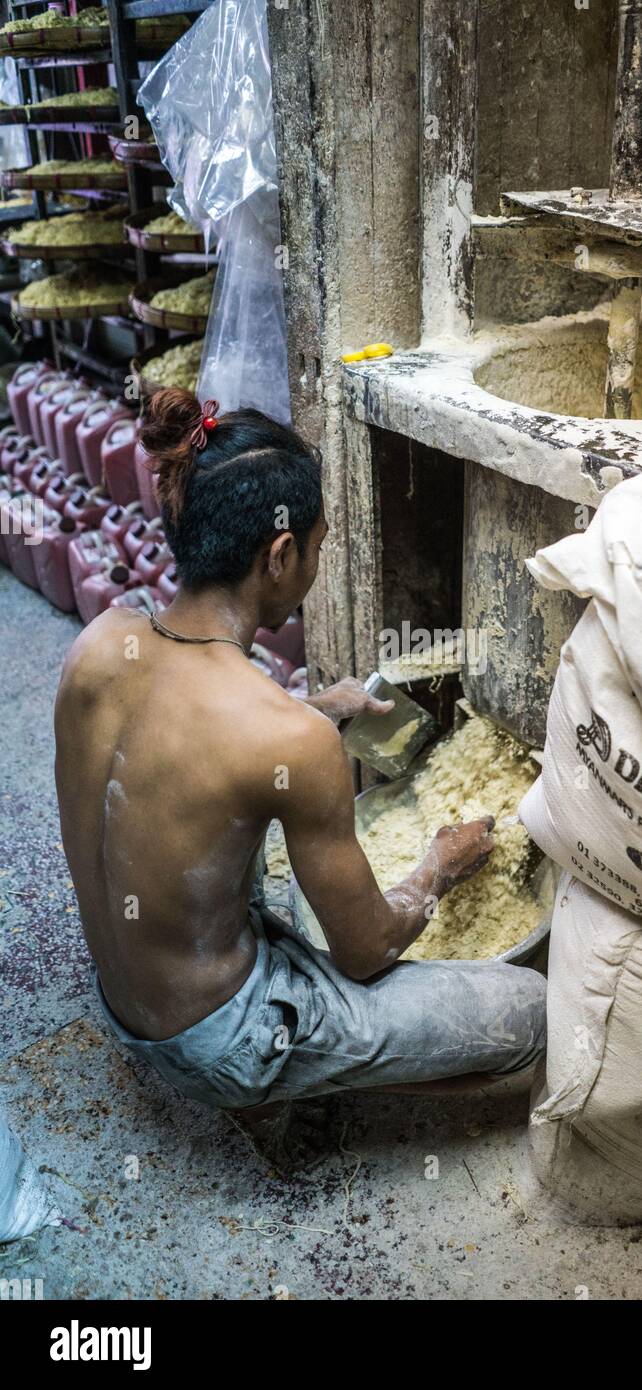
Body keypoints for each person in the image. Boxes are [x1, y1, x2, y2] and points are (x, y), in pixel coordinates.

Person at [54, 389, 546, 1114]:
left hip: (126, 1001)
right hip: (221, 1041)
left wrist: (311, 707)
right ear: (279, 555)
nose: (314, 565)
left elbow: (184, 742)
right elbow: (367, 949)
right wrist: (437, 867)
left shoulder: (100, 645)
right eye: (316, 549)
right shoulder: (287, 739)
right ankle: (309, 1075)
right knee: (529, 1009)